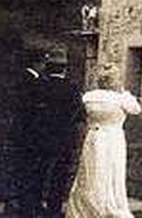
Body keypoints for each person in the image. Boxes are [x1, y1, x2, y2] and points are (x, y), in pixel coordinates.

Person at [66, 65, 141, 218]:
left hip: (94, 136)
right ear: (115, 81)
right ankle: (111, 204)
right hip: (113, 138)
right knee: (112, 171)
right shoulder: (121, 98)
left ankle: (87, 205)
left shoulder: (88, 97)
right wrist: (124, 92)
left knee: (91, 170)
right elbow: (136, 109)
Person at [41, 52, 84, 218]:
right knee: (60, 173)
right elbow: (79, 114)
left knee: (41, 171)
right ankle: (54, 207)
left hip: (42, 135)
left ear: (47, 67)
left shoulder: (41, 86)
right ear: (64, 69)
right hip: (65, 137)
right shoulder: (72, 88)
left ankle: (36, 204)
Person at [8, 49, 50, 217]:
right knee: (29, 171)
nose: (45, 66)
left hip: (23, 133)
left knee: (25, 170)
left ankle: (25, 203)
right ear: (37, 63)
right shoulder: (31, 82)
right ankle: (27, 205)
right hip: (29, 135)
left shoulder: (26, 79)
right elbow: (29, 108)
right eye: (43, 63)